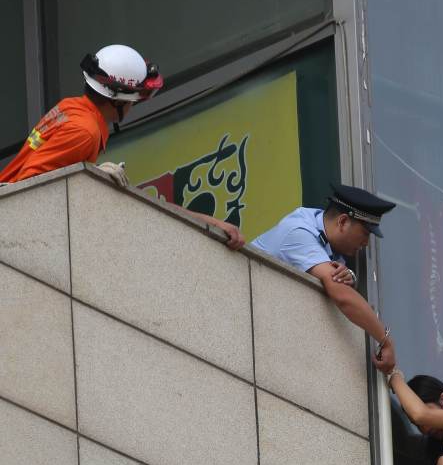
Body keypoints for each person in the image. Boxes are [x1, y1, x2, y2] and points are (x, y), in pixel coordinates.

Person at [0, 44, 244, 249]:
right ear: (117, 100)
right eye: (134, 100)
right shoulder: (85, 132)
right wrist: (91, 180)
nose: (134, 106)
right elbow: (29, 192)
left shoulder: (72, 107)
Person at [250, 184, 396, 370]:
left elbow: (339, 280)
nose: (366, 243)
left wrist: (350, 275)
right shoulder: (299, 232)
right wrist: (385, 340)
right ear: (342, 222)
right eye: (365, 233)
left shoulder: (327, 234)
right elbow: (342, 296)